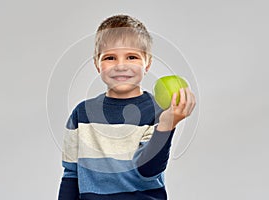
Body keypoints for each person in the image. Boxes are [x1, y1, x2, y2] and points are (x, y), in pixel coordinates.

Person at [58, 14, 196, 200]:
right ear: (97, 64)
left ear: (147, 63)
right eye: (110, 57)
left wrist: (166, 125)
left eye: (132, 57)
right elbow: (71, 176)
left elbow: (147, 171)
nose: (121, 66)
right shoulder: (81, 114)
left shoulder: (159, 112)